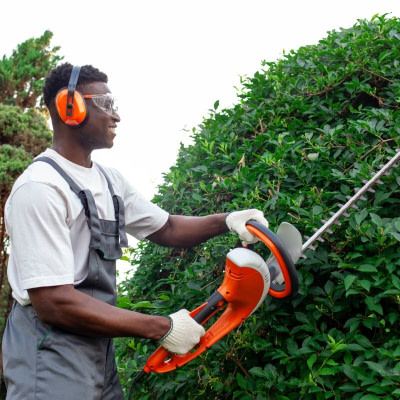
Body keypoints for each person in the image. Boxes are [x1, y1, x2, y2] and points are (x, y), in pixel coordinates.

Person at [2, 63, 269, 400]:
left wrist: (229, 220)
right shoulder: (40, 188)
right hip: (49, 351)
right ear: (70, 107)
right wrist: (162, 327)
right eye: (105, 105)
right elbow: (54, 302)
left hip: (98, 352)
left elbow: (168, 228)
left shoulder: (110, 181)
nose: (116, 116)